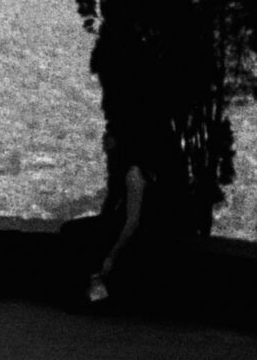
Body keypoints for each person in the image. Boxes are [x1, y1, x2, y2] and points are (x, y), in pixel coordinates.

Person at [61, 118, 184, 310]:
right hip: (120, 225)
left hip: (127, 230)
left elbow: (133, 221)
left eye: (109, 135)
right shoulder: (131, 169)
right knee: (77, 231)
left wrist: (113, 254)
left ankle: (94, 294)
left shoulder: (133, 174)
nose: (104, 139)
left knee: (74, 232)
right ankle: (95, 293)